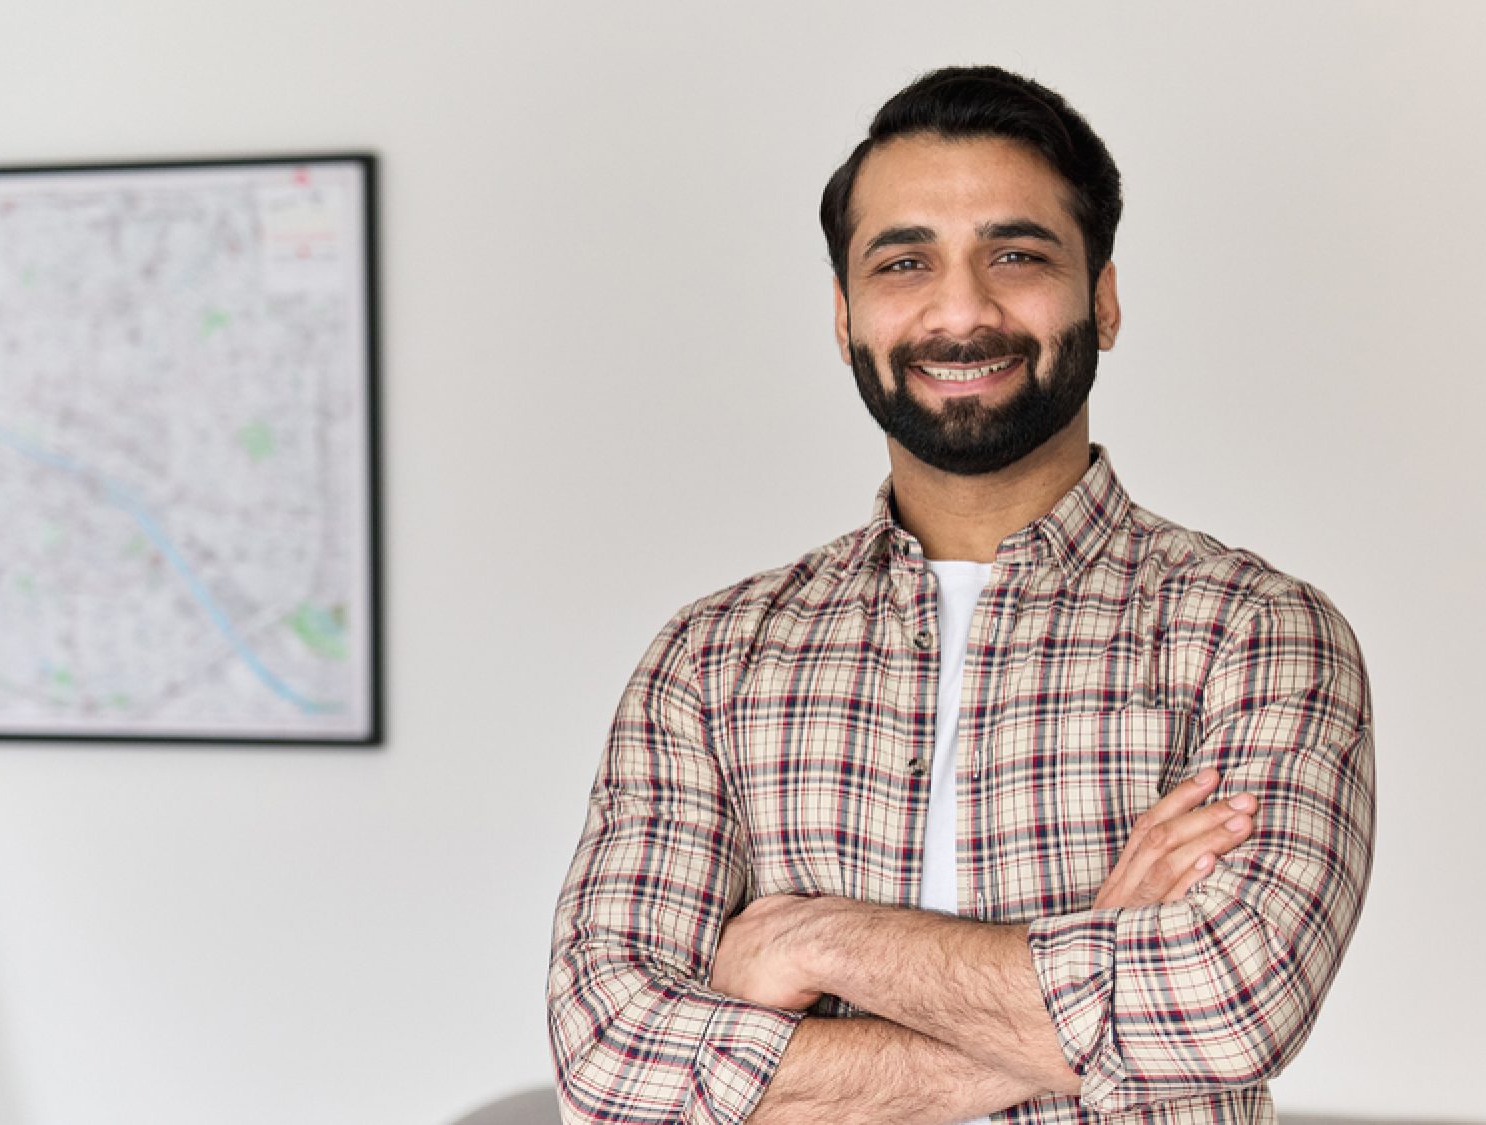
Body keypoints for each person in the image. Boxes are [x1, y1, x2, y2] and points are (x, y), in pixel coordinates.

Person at [548, 65, 1375, 1125]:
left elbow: (1226, 1006)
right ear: (845, 315)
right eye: (904, 263)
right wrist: (1091, 968)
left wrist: (810, 938)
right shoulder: (712, 659)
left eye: (1016, 255)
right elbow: (610, 1068)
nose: (961, 310)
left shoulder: (1255, 634)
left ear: (1103, 300)